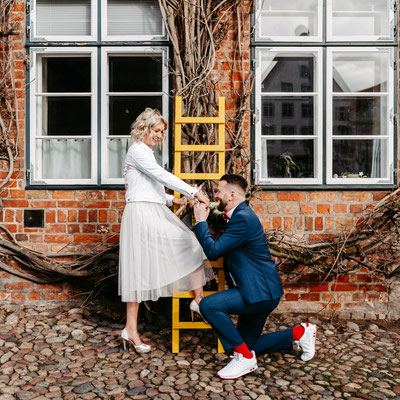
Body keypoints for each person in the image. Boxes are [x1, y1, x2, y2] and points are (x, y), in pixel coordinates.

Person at [193, 174, 317, 379]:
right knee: (243, 344)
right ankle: (299, 334)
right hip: (256, 291)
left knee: (209, 306)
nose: (216, 196)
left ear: (232, 195)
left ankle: (245, 359)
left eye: (218, 191)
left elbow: (214, 251)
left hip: (259, 293)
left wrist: (200, 222)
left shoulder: (243, 217)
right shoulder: (239, 214)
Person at [119, 108, 212, 353]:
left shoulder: (145, 153)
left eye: (162, 132)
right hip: (141, 214)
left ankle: (197, 300)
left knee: (186, 247)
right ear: (145, 128)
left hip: (149, 211)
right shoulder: (138, 150)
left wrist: (174, 201)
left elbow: (150, 186)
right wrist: (192, 192)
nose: (160, 135)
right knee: (139, 270)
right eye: (157, 131)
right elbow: (159, 175)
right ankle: (132, 328)